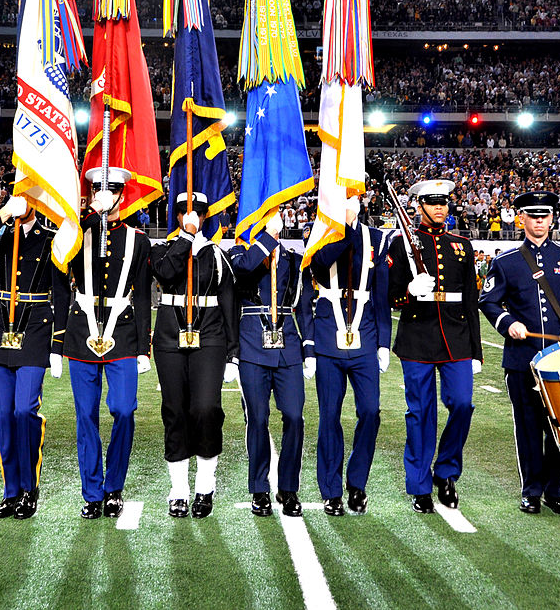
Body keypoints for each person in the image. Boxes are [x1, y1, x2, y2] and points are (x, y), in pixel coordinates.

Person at [479, 191, 560, 515]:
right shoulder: (505, 262)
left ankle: (555, 491)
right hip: (522, 360)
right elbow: (487, 301)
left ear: (553, 219)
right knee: (529, 428)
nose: (540, 221)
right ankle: (531, 490)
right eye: (533, 216)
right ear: (522, 219)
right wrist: (509, 323)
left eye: (545, 216)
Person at [0, 183, 70, 521]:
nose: (22, 203)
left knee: (24, 411)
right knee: (3, 416)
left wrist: (58, 345)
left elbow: (61, 294)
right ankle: (11, 490)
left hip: (35, 332)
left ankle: (30, 487)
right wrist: (2, 214)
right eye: (17, 197)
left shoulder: (49, 239)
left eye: (28, 197)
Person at [387, 180, 481, 514]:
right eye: (433, 202)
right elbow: (391, 296)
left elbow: (470, 298)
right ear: (418, 206)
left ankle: (446, 472)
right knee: (420, 413)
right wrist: (410, 290)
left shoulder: (461, 245)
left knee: (463, 404)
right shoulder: (401, 243)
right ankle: (419, 484)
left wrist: (477, 351)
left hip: (455, 338)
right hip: (417, 336)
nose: (441, 208)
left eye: (444, 203)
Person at [64, 168, 152, 520]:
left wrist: (145, 348)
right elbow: (60, 258)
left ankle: (115, 486)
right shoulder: (76, 232)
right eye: (98, 191)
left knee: (124, 410)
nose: (103, 196)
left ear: (121, 195)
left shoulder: (138, 239)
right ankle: (93, 492)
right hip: (80, 332)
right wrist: (87, 215)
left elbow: (144, 296)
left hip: (124, 335)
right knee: (85, 416)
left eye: (109, 191)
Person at [305, 197, 395, 517]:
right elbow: (319, 265)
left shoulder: (378, 238)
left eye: (353, 197)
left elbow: (381, 296)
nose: (349, 202)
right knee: (329, 417)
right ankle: (331, 490)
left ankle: (357, 483)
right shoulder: (319, 234)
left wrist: (384, 343)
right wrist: (342, 228)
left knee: (370, 411)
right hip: (328, 339)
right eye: (342, 197)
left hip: (366, 339)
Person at [151, 192, 237, 519]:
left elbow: (229, 302)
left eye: (198, 214)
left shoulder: (217, 254)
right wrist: (185, 239)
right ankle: (178, 489)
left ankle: (205, 483)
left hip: (210, 336)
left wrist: (233, 353)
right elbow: (168, 274)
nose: (192, 218)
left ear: (204, 218)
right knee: (174, 410)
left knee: (206, 408)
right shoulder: (164, 249)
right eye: (186, 213)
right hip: (170, 337)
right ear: (177, 218)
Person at [229, 210, 312, 518]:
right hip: (252, 344)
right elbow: (246, 269)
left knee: (294, 416)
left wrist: (310, 346)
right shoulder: (239, 252)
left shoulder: (292, 258)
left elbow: (303, 305)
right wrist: (268, 238)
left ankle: (288, 487)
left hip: (288, 346)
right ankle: (260, 489)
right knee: (258, 418)